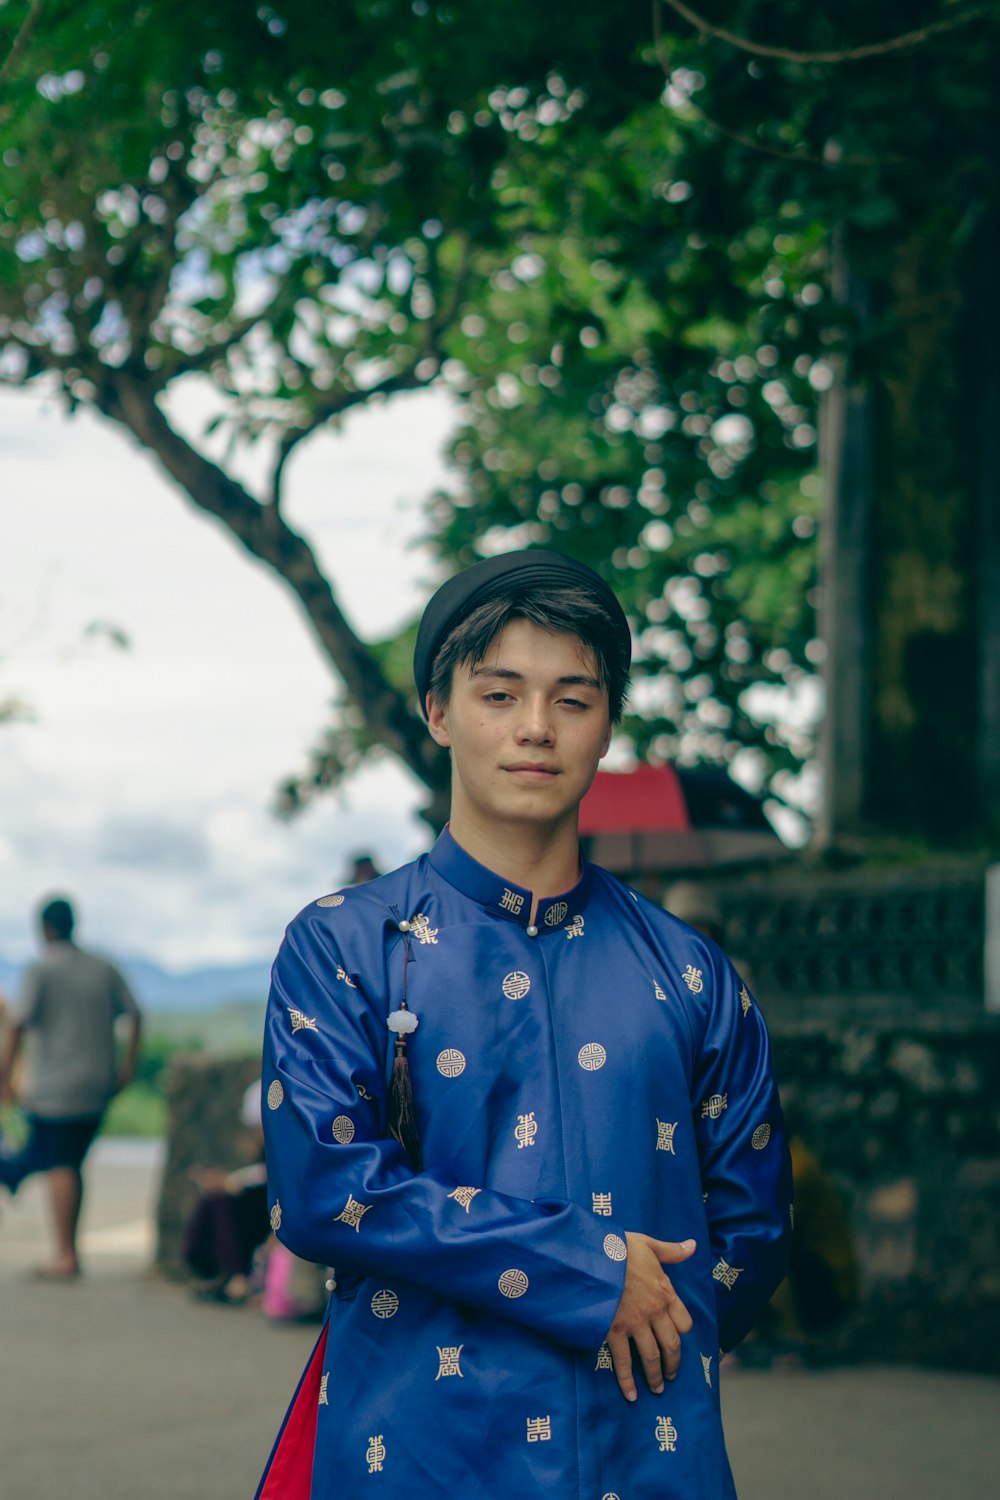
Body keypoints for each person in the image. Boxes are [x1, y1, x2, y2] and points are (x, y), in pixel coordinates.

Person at [255, 550, 792, 1500]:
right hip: (418, 1453)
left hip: (648, 1457)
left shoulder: (692, 974)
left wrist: (636, 1319)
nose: (536, 729)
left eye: (572, 700)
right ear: (439, 712)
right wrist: (589, 1275)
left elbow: (750, 1236)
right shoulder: (345, 946)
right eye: (500, 694)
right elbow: (324, 1190)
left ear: (607, 724)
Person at [0, 895, 142, 1278]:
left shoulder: (40, 970)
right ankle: (67, 1248)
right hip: (97, 1083)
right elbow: (135, 1013)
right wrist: (126, 1067)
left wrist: (4, 1076)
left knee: (59, 1163)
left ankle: (65, 1254)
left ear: (44, 928)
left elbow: (17, 1024)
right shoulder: (103, 968)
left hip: (53, 1087)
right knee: (68, 1160)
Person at [182, 1078, 270, 1305]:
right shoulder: (266, 1146)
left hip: (277, 1210)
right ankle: (223, 1274)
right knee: (214, 1199)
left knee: (220, 1200)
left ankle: (236, 1277)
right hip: (261, 1205)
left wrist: (231, 1183)